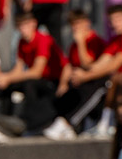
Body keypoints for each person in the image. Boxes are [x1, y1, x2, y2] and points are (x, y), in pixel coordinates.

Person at [0, 11, 64, 138]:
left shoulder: (42, 39)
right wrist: (5, 79)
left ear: (34, 24)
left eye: (26, 25)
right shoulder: (22, 42)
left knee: (29, 84)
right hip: (37, 79)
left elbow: (37, 72)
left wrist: (8, 77)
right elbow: (18, 69)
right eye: (20, 26)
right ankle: (4, 123)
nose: (23, 29)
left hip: (53, 81)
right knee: (7, 86)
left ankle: (29, 123)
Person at [45, 10, 109, 139]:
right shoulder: (73, 45)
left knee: (90, 90)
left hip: (94, 81)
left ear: (87, 23)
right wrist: (63, 84)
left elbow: (87, 64)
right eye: (73, 25)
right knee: (59, 95)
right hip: (77, 82)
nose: (76, 28)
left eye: (78, 24)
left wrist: (81, 43)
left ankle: (68, 123)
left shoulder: (95, 42)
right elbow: (69, 65)